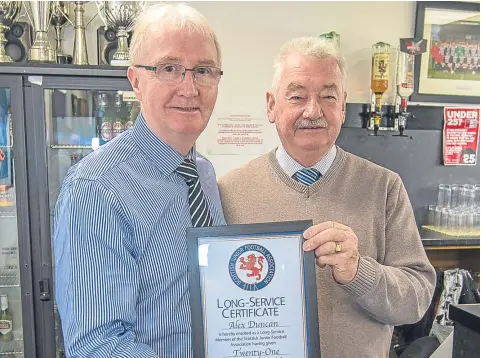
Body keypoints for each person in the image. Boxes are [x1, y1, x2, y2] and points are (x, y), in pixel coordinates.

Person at [218, 37, 436, 358]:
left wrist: (358, 271)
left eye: (328, 96)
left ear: (343, 106)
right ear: (271, 106)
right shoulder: (229, 191)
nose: (313, 110)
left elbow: (416, 301)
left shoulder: (384, 187)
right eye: (297, 96)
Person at [53, 3, 225, 356]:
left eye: (203, 70)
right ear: (136, 80)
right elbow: (97, 346)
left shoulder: (203, 173)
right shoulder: (95, 190)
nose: (189, 88)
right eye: (169, 68)